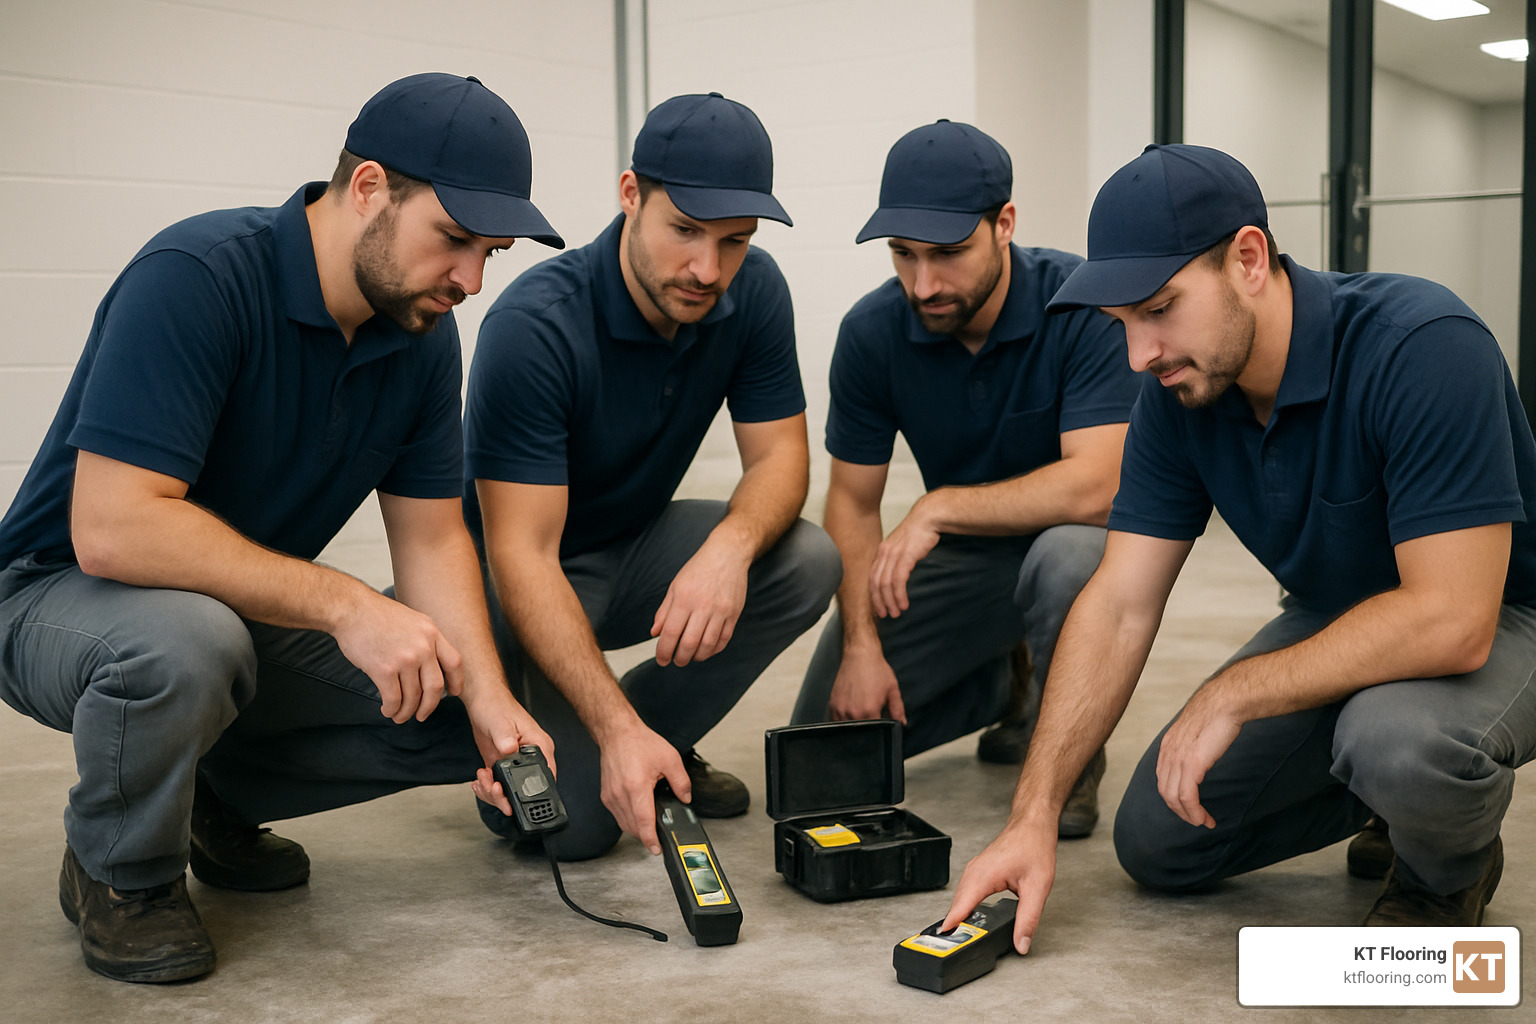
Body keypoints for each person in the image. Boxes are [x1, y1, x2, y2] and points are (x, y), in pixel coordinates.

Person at [0, 73, 562, 984]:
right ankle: (121, 873)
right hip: (57, 597)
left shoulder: (419, 332)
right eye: (455, 240)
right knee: (186, 643)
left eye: (489, 252)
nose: (470, 279)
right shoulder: (197, 277)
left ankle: (201, 797)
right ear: (369, 188)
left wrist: (493, 705)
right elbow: (111, 529)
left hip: (230, 611)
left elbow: (431, 540)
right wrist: (345, 605)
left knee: (454, 700)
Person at [947, 143, 1536, 950]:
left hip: (1506, 613)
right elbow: (1119, 603)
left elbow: (1453, 619)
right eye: (1121, 324)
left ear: (1249, 259)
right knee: (1159, 841)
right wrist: (1033, 815)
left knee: (1398, 740)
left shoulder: (1424, 344)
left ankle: (1446, 871)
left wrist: (1235, 692)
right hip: (1344, 615)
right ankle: (1385, 799)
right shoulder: (1176, 393)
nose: (1138, 354)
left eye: (1158, 309)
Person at [464, 92, 842, 861]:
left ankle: (655, 736)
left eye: (734, 241)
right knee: (576, 833)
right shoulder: (535, 326)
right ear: (631, 194)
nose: (708, 269)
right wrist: (612, 730)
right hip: (524, 581)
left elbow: (781, 459)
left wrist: (729, 550)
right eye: (685, 231)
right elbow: (522, 557)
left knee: (806, 559)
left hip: (635, 551)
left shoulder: (754, 289)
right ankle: (593, 744)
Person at [788, 121, 1139, 836]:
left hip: (1073, 547)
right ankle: (1000, 683)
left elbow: (1101, 488)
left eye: (947, 254)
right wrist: (860, 644)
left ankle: (1064, 745)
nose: (924, 283)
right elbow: (852, 504)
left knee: (1069, 555)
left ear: (1004, 224)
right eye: (903, 255)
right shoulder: (871, 333)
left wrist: (940, 506)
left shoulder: (1083, 307)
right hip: (971, 561)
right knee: (823, 763)